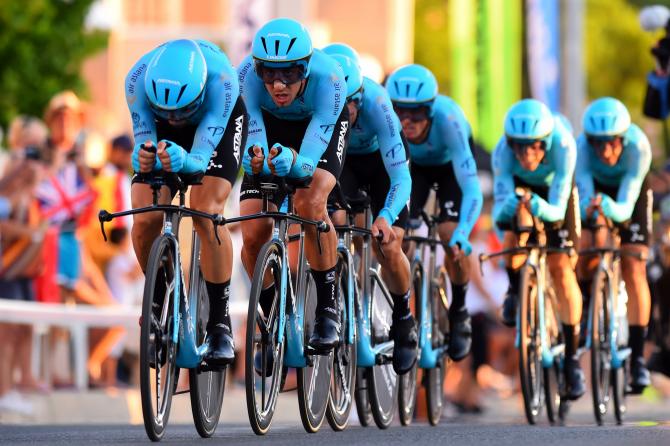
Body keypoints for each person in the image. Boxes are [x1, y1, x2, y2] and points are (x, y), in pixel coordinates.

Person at [125, 38, 248, 366]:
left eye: (181, 112)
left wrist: (188, 159)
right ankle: (161, 299)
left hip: (214, 129)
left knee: (205, 212)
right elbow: (144, 144)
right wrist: (144, 157)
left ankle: (220, 322)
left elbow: (198, 161)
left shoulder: (222, 82)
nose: (176, 118)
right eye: (169, 112)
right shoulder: (136, 81)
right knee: (145, 219)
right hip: (162, 129)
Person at [237, 18, 349, 353]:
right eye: (269, 74)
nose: (279, 85)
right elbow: (252, 140)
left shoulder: (329, 79)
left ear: (306, 68)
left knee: (310, 201)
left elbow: (307, 163)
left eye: (290, 73)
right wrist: (254, 158)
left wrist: (294, 162)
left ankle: (328, 308)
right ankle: (275, 313)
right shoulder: (244, 77)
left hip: (315, 132)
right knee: (253, 231)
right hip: (271, 127)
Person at [322, 44, 417, 374]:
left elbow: (400, 178)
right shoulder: (317, 106)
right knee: (325, 219)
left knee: (388, 244)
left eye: (349, 103)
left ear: (359, 96)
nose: (343, 110)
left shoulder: (378, 104)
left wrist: (386, 216)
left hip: (381, 166)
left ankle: (404, 319)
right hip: (343, 162)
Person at [385, 64, 483, 361]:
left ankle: (460, 309)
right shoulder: (390, 125)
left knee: (448, 234)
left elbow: (472, 189)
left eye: (417, 113)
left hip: (449, 168)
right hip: (414, 171)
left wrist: (463, 233)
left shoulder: (449, 120)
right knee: (400, 237)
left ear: (431, 109)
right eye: (400, 111)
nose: (408, 121)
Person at [492, 98, 585, 400]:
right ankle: (514, 289)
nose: (526, 154)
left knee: (560, 267)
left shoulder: (564, 146)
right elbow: (498, 219)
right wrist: (513, 211)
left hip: (555, 192)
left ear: (545, 142)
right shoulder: (502, 155)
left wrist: (537, 207)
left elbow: (557, 211)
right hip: (521, 190)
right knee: (513, 229)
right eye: (518, 146)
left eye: (533, 146)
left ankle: (571, 359)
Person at [575, 97, 653, 393]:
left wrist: (608, 206)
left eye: (612, 143)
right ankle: (586, 307)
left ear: (623, 139)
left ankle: (638, 359)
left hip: (628, 194)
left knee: (634, 266)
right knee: (586, 246)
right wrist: (593, 209)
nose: (605, 151)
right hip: (596, 188)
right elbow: (582, 201)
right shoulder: (581, 150)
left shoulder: (638, 148)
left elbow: (624, 207)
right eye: (598, 143)